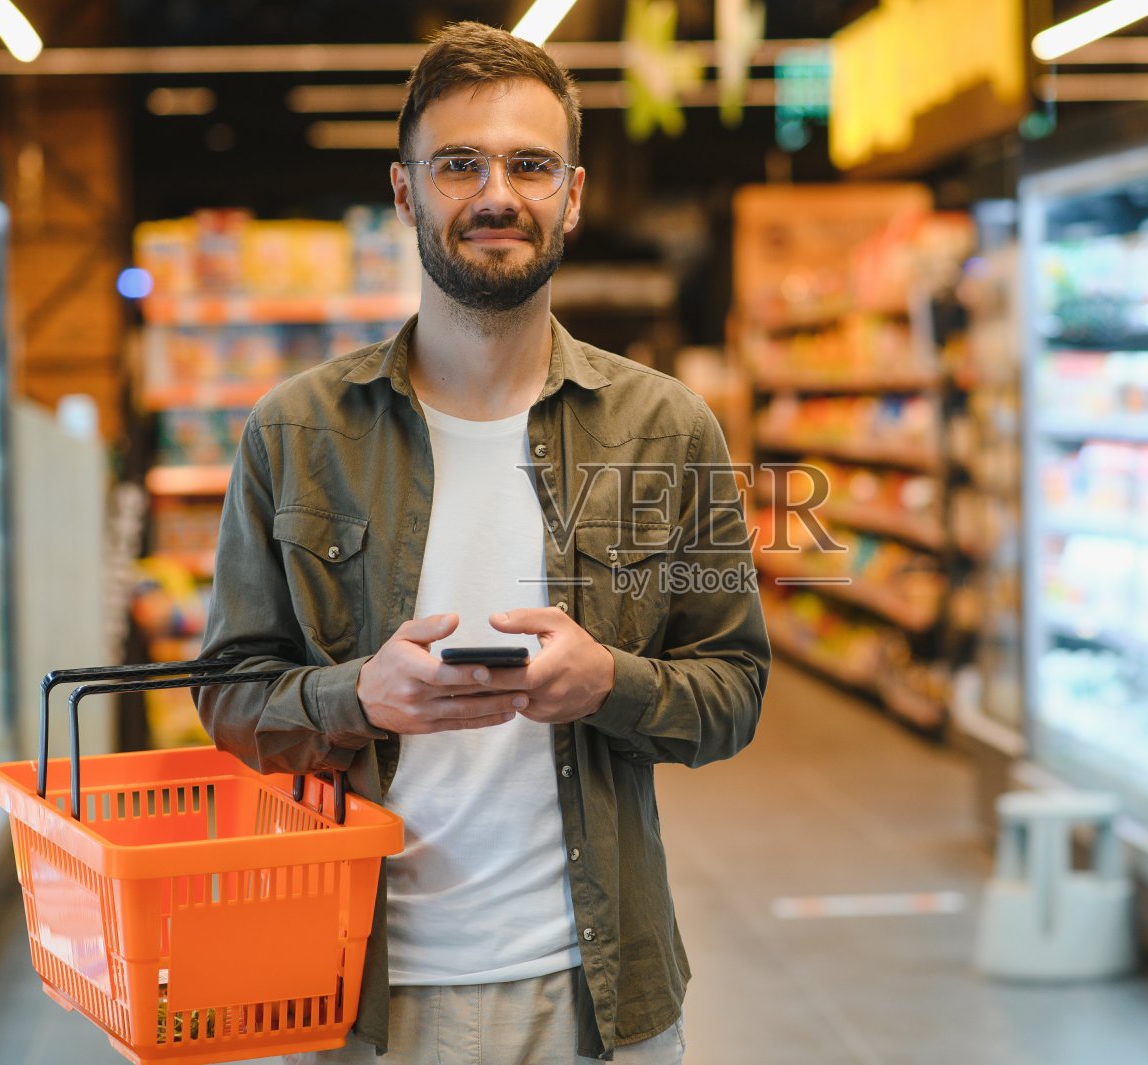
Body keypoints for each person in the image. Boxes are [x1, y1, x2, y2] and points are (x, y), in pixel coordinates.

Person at [197, 20, 770, 1065]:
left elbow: (731, 694)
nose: (496, 194)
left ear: (574, 195)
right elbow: (229, 694)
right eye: (458, 163)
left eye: (529, 164)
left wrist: (609, 684)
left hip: (600, 999)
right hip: (351, 996)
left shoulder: (665, 428)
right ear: (406, 192)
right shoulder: (296, 430)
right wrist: (358, 697)